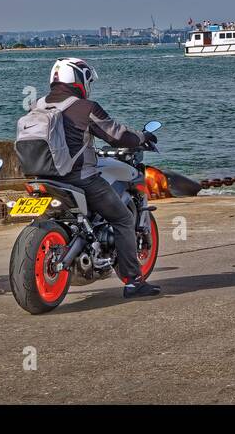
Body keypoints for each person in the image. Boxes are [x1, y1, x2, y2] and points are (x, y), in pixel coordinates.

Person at [43, 58, 161, 298]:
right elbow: (116, 135)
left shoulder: (38, 105)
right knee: (123, 218)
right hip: (79, 178)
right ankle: (133, 282)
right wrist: (141, 137)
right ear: (79, 80)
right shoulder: (85, 107)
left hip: (43, 177)